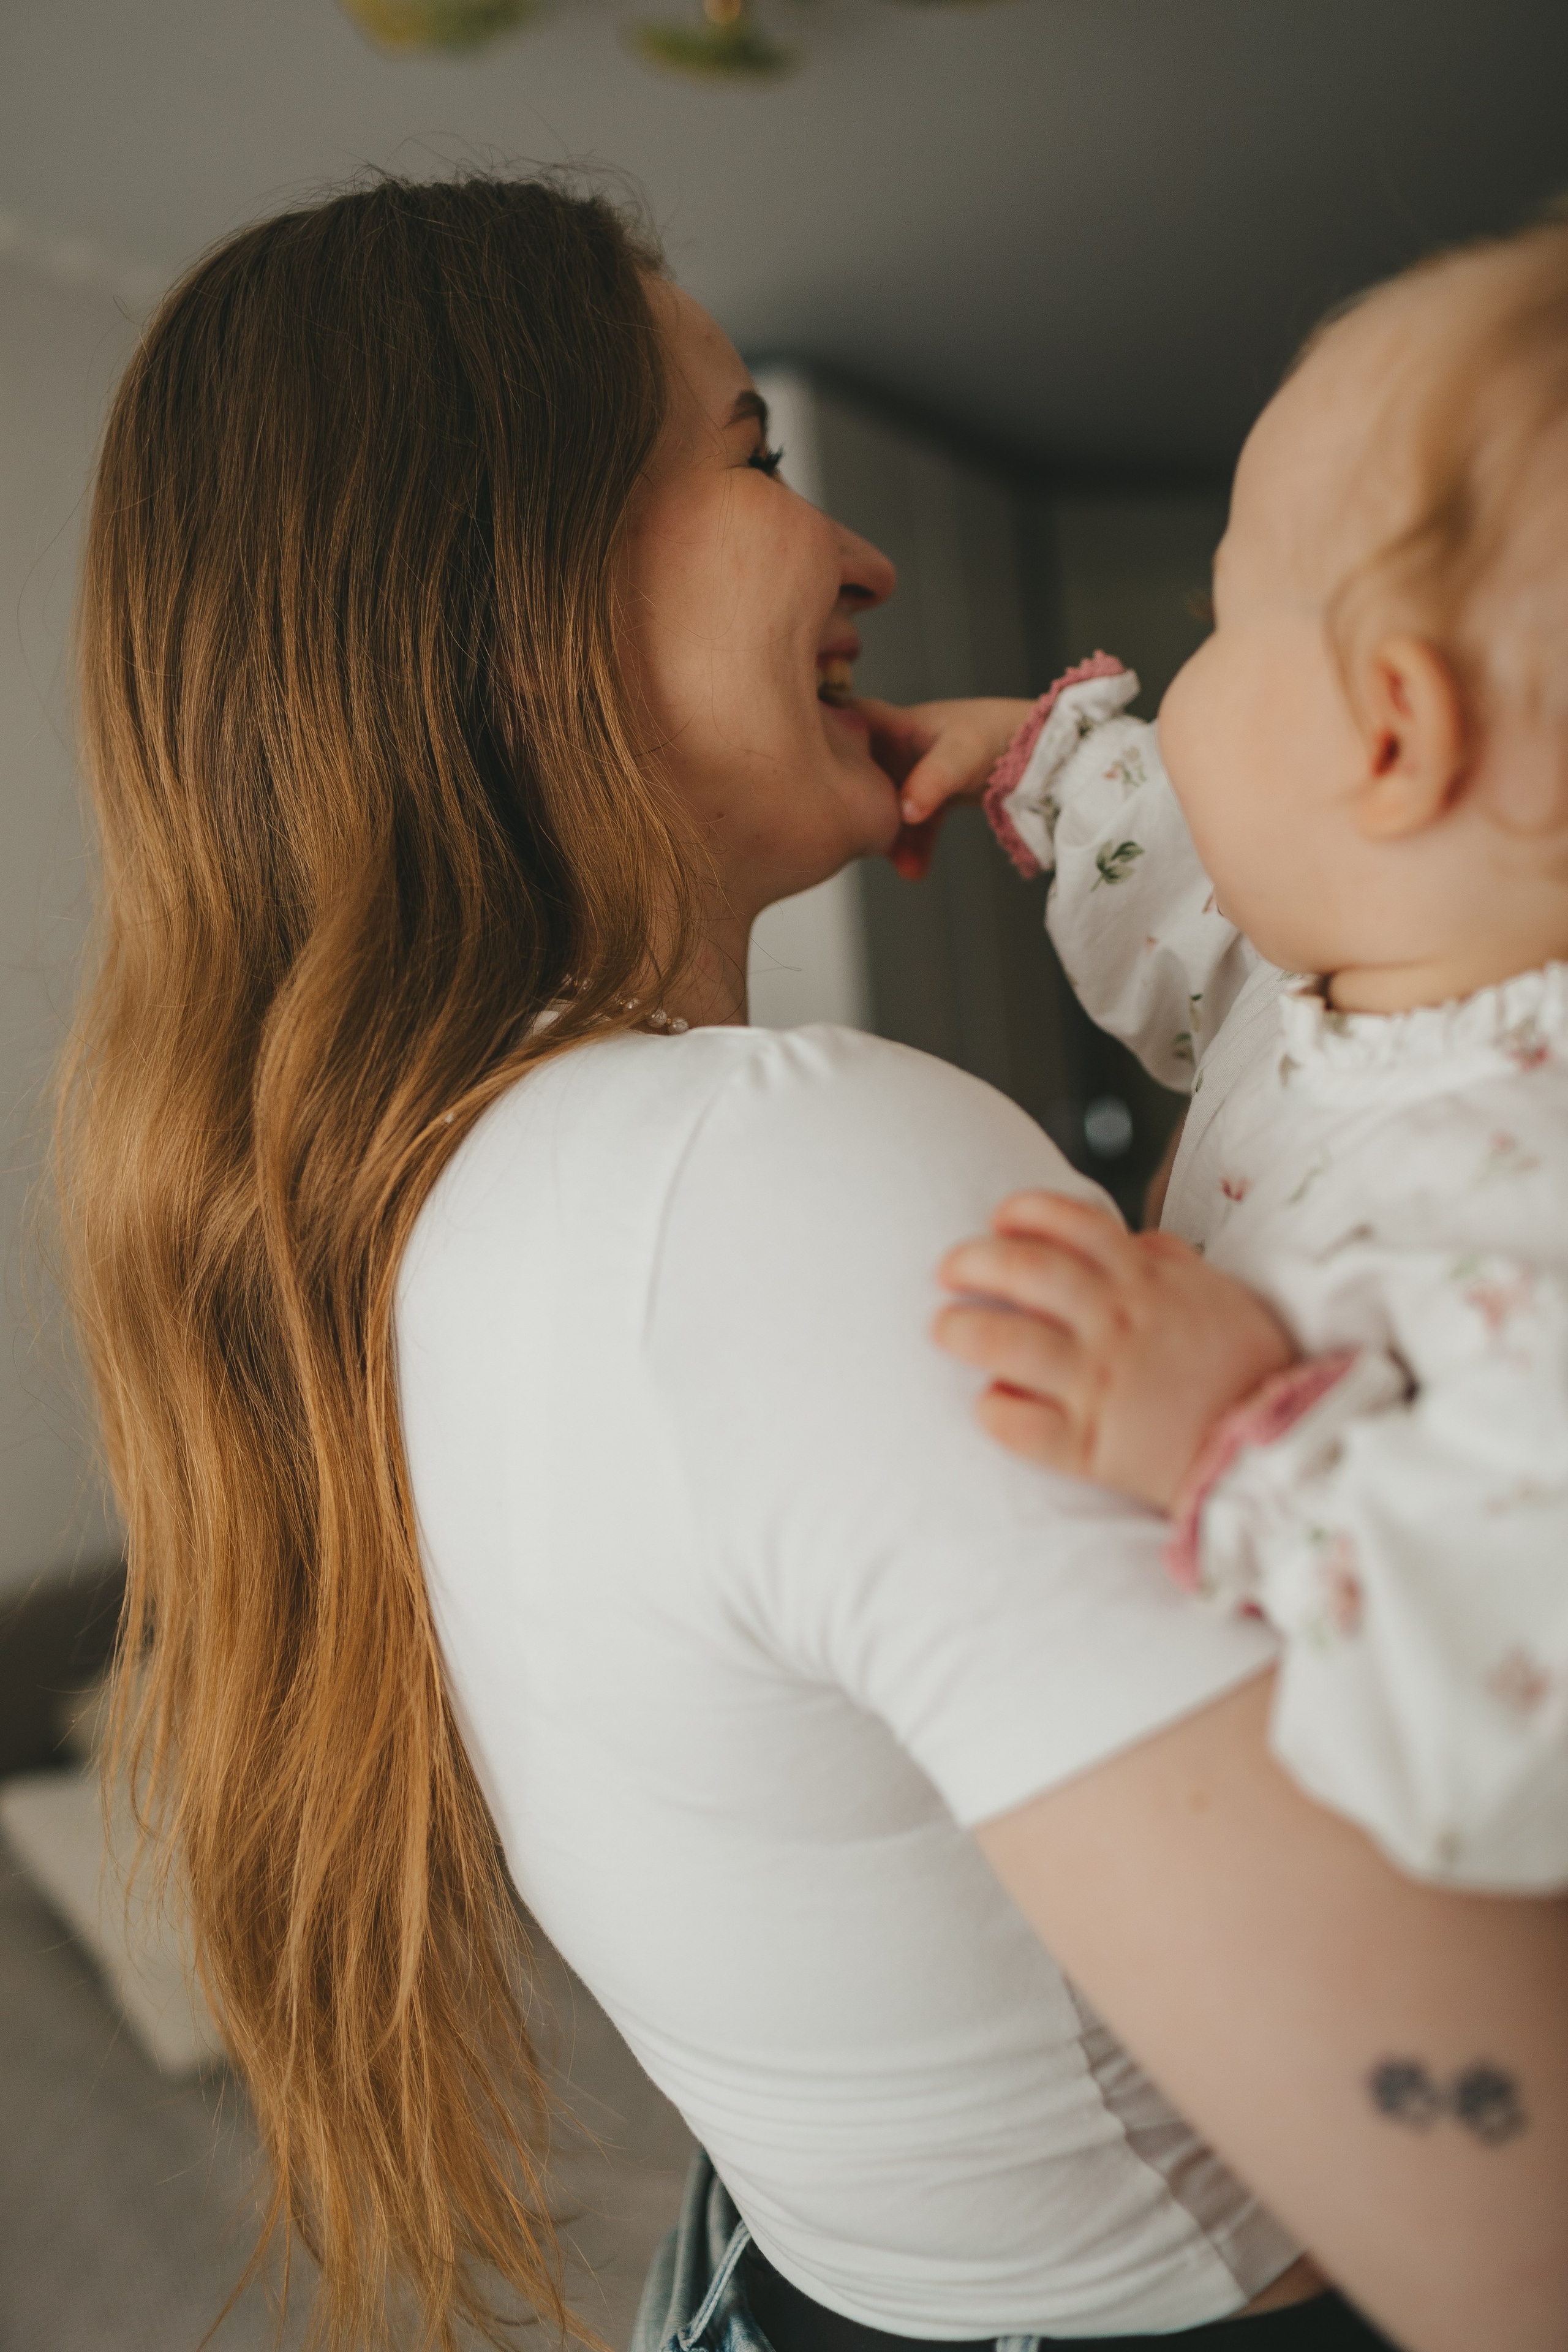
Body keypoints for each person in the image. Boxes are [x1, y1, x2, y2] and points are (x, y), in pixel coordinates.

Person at [56, 174, 1567, 2352]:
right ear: (505, 583)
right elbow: (1503, 2223)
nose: (860, 556)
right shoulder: (777, 1179)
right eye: (752, 457)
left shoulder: (454, 1214)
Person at [879, 213, 1568, 1898]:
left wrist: (1246, 1438)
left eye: (1222, 617)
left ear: (1392, 734)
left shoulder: (1529, 1192)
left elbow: (1521, 1694)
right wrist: (1035, 767)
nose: (1177, 681)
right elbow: (1195, 879)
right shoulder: (1345, 952)